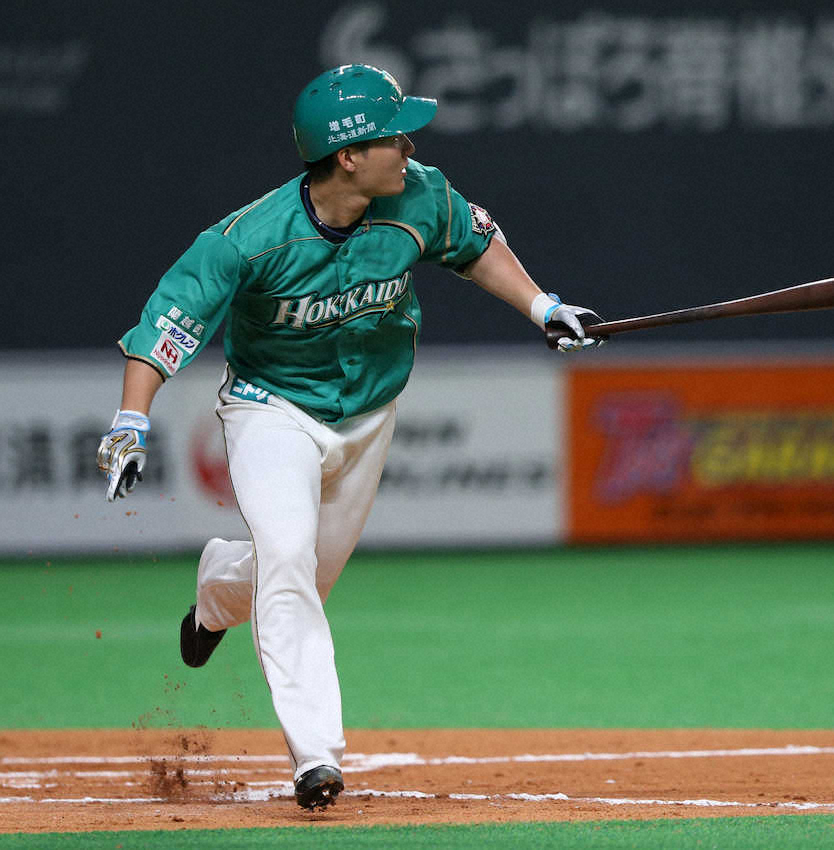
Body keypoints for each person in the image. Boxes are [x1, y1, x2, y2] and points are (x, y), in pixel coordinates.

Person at [96, 64, 606, 811]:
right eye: (394, 136)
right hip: (272, 408)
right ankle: (316, 757)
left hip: (368, 413)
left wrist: (544, 308)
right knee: (289, 560)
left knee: (303, 575)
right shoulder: (246, 240)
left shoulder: (420, 195)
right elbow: (165, 327)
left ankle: (216, 593)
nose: (409, 147)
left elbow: (475, 244)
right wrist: (131, 419)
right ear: (348, 156)